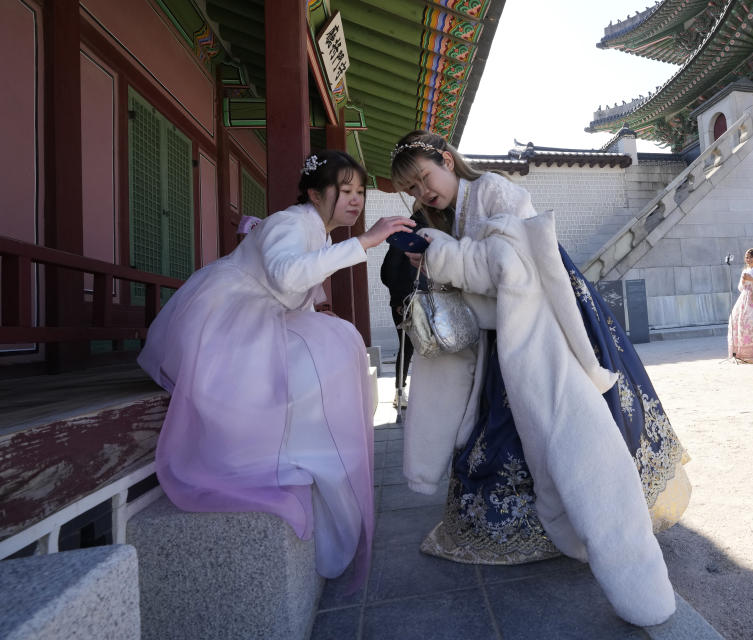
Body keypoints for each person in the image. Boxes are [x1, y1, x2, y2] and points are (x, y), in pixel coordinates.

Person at [390, 130, 690, 627]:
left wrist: (441, 254)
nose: (424, 194)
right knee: (517, 435)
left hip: (545, 324)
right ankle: (557, 530)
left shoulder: (493, 191)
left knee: (575, 433)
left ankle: (617, 556)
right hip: (507, 337)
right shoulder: (449, 214)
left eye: (425, 179)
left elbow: (510, 265)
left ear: (447, 159)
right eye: (414, 190)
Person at [137, 151, 415, 586]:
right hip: (224, 321)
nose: (356, 201)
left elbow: (304, 283)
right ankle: (281, 452)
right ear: (313, 193)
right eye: (345, 191)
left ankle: (298, 451)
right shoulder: (290, 221)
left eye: (360, 192)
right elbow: (287, 275)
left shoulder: (316, 231)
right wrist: (363, 243)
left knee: (337, 346)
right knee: (331, 352)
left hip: (254, 319)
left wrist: (322, 302)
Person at [379, 210, 426, 412]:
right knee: (407, 347)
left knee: (424, 347)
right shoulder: (406, 238)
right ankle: (400, 391)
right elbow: (387, 273)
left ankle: (418, 391)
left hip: (424, 299)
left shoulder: (426, 233)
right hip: (405, 301)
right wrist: (399, 300)